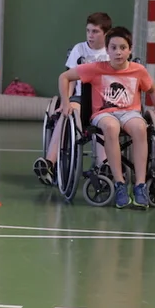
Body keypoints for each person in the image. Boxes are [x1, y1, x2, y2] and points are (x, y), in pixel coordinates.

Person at [57, 26, 155, 209]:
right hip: (103, 113)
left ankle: (140, 185)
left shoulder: (138, 70)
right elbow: (64, 77)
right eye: (113, 48)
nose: (118, 52)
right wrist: (66, 103)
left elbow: (154, 90)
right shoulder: (95, 68)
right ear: (107, 49)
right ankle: (120, 183)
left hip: (130, 113)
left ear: (130, 49)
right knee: (111, 127)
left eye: (122, 48)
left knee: (140, 128)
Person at [36, 12, 112, 183]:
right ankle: (49, 163)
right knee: (67, 113)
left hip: (105, 101)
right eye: (88, 31)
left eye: (95, 32)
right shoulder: (79, 49)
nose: (90, 35)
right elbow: (69, 79)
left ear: (106, 33)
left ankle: (104, 166)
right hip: (81, 99)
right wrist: (65, 101)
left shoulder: (111, 51)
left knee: (104, 123)